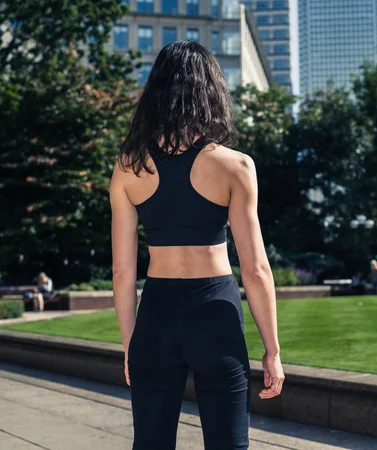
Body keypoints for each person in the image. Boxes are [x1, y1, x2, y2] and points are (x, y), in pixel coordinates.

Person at [110, 41, 284, 450]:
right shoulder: (235, 166)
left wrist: (129, 344)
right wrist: (272, 350)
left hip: (156, 318)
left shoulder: (128, 167)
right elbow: (256, 269)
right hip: (215, 317)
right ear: (210, 91)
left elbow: (122, 272)